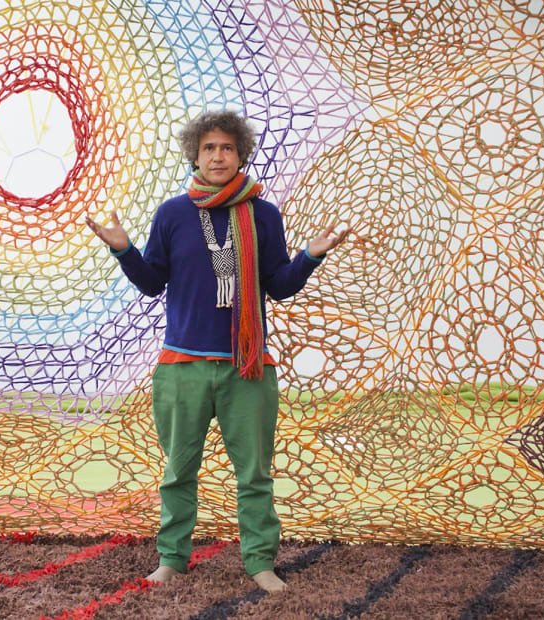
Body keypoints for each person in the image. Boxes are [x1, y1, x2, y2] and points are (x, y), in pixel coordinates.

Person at [85, 110, 350, 593]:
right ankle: (171, 559)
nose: (218, 156)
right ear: (195, 155)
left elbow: (278, 285)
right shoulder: (172, 214)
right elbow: (151, 284)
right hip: (182, 367)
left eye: (227, 147)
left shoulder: (264, 214)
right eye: (209, 148)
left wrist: (310, 256)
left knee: (254, 475)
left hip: (246, 367)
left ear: (240, 154)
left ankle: (260, 563)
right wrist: (124, 251)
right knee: (178, 472)